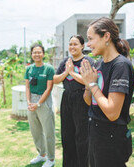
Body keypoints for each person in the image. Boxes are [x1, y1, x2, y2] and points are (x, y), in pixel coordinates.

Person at [80, 17, 134, 166]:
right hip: (95, 132)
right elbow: (90, 101)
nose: (88, 44)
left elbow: (112, 113)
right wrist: (87, 84)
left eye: (91, 39)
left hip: (111, 138)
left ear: (106, 37)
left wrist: (92, 84)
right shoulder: (99, 64)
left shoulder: (120, 66)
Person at [53, 35, 94, 167]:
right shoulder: (66, 61)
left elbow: (89, 80)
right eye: (70, 44)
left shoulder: (87, 61)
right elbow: (55, 79)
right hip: (67, 98)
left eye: (75, 44)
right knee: (67, 135)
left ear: (82, 46)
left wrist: (72, 73)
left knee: (82, 135)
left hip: (82, 98)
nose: (72, 47)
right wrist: (67, 72)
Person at [24, 43, 56, 167]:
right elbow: (27, 86)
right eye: (34, 52)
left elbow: (49, 88)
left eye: (39, 52)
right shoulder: (29, 69)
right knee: (35, 131)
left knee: (48, 131)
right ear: (31, 55)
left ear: (43, 54)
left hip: (44, 101)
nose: (37, 54)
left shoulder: (49, 69)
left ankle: (51, 158)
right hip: (31, 101)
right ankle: (42, 154)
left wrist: (38, 103)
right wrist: (29, 102)